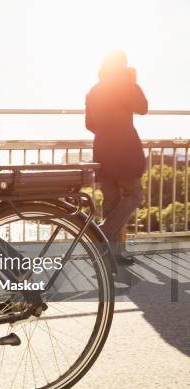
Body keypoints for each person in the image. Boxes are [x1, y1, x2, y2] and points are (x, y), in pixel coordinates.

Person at [85, 50, 148, 265]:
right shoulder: (127, 85)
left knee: (111, 200)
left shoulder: (94, 90)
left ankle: (111, 253)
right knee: (135, 195)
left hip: (102, 149)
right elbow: (143, 108)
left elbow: (89, 124)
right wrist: (132, 81)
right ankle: (104, 231)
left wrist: (106, 132)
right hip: (125, 150)